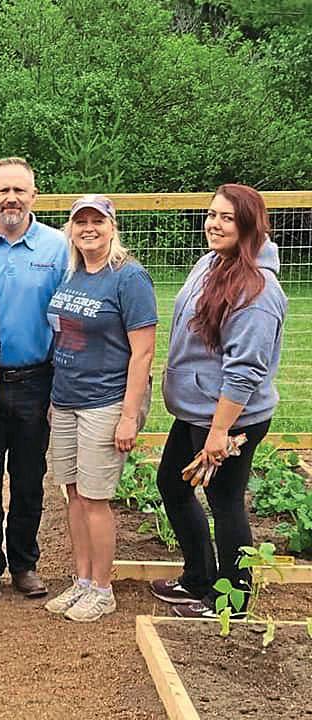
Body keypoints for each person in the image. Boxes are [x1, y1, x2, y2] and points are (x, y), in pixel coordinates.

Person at [149, 184, 287, 618]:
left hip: (230, 416)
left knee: (225, 502)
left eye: (227, 217)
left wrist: (220, 432)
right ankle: (198, 578)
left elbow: (245, 369)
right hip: (198, 409)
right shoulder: (212, 264)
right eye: (211, 215)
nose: (214, 223)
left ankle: (232, 600)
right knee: (173, 484)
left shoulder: (258, 291)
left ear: (249, 224)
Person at [42, 195, 157, 622]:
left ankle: (103, 588)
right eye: (80, 222)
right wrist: (56, 398)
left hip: (105, 402)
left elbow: (143, 353)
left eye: (97, 221)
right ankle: (82, 581)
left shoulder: (129, 278)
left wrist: (129, 415)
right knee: (72, 493)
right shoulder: (73, 274)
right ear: (71, 229)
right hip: (67, 398)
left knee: (95, 498)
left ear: (112, 226)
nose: (88, 228)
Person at [0, 158, 68, 599]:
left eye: (20, 191)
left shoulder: (58, 248)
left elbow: (69, 319)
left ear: (34, 196)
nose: (11, 199)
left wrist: (59, 385)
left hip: (35, 379)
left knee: (29, 477)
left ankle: (25, 563)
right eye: (3, 190)